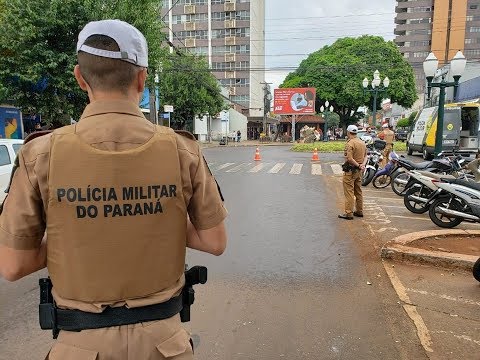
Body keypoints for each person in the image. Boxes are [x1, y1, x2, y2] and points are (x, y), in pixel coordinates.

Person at [0, 19, 227, 359]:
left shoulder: (40, 154)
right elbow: (215, 241)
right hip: (165, 346)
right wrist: (151, 224)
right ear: (141, 79)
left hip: (78, 346)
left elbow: (13, 265)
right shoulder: (183, 150)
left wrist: (80, 232)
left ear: (80, 77)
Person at [338, 125, 367, 220]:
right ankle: (359, 211)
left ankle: (349, 213)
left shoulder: (350, 143)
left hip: (351, 170)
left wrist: (358, 165)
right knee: (358, 191)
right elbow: (366, 156)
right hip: (359, 171)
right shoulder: (362, 142)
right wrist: (362, 165)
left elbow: (349, 158)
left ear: (348, 132)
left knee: (349, 192)